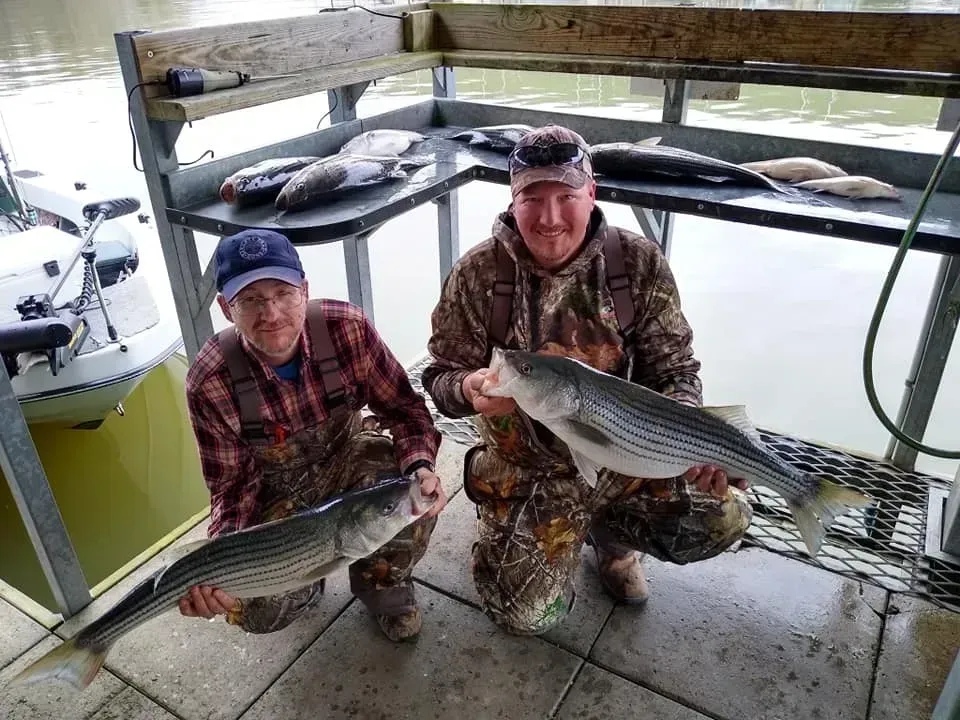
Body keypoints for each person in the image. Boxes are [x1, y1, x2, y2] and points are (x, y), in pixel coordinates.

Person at [421, 124, 753, 636]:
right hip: (528, 468)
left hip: (631, 454)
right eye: (533, 197)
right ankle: (523, 523)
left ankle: (612, 541)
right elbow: (440, 375)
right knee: (524, 615)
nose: (550, 218)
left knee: (719, 517)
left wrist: (696, 440)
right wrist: (467, 389)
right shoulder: (477, 275)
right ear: (513, 199)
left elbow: (675, 369)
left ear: (591, 193)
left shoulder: (636, 262)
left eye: (567, 196)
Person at [181, 228, 446, 642]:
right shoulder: (209, 379)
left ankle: (383, 587)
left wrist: (421, 465)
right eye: (250, 300)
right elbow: (230, 486)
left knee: (409, 495)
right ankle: (303, 582)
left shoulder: (347, 328)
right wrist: (223, 559)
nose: (270, 314)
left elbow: (405, 409)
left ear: (304, 290)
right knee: (258, 609)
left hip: (349, 461)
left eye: (283, 293)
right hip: (279, 497)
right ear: (224, 307)